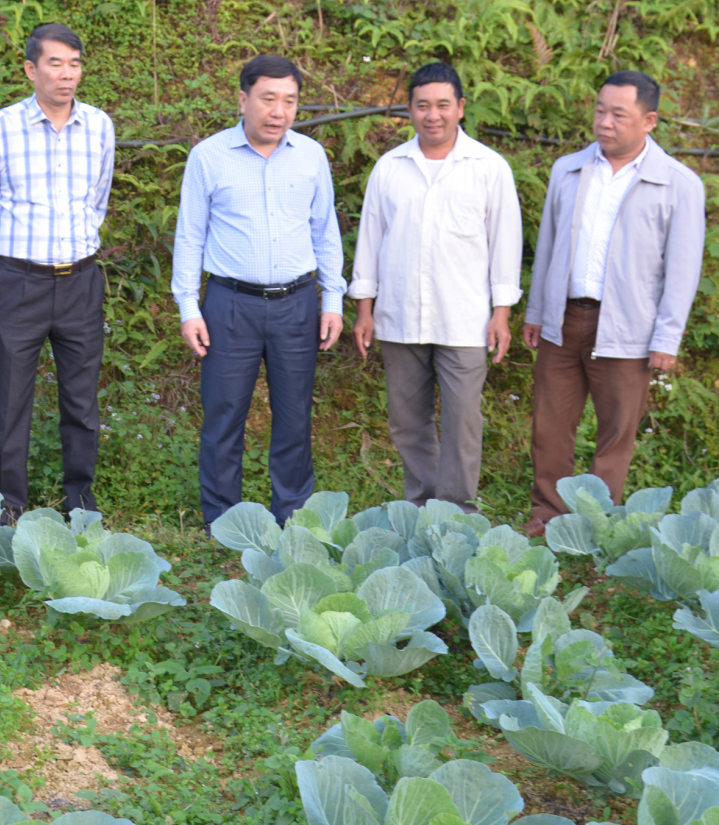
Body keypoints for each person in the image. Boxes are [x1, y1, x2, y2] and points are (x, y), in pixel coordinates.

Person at [522, 71, 705, 535]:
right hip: (564, 318)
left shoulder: (678, 184)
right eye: (600, 110)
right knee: (550, 427)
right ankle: (548, 516)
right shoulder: (568, 169)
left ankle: (597, 527)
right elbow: (548, 246)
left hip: (627, 327)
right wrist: (538, 313)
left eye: (618, 114)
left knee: (616, 433)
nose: (604, 122)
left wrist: (667, 337)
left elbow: (681, 271)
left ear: (649, 120)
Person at [172, 54, 345, 525]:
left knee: (294, 418)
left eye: (289, 101)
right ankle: (223, 523)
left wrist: (332, 299)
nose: (279, 111)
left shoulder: (310, 155)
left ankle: (292, 517)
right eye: (268, 99)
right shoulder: (208, 156)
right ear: (243, 98)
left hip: (297, 304)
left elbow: (324, 230)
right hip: (230, 305)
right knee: (223, 417)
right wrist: (189, 307)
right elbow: (190, 235)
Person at [349, 62, 522, 509]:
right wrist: (364, 309)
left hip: (464, 318)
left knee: (464, 418)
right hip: (399, 316)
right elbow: (371, 239)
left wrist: (501, 313)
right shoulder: (390, 168)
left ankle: (457, 511)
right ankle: (422, 505)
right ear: (409, 110)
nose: (433, 115)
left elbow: (505, 244)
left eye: (443, 105)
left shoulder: (488, 167)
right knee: (407, 420)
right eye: (423, 105)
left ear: (460, 108)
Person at [0, 23, 115, 521]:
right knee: (9, 401)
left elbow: (97, 200)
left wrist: (75, 254)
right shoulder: (0, 127)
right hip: (19, 282)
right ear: (31, 69)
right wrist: (14, 266)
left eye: (74, 63)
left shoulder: (99, 126)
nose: (67, 74)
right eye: (55, 63)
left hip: (80, 281)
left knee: (81, 401)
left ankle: (80, 504)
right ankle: (5, 507)